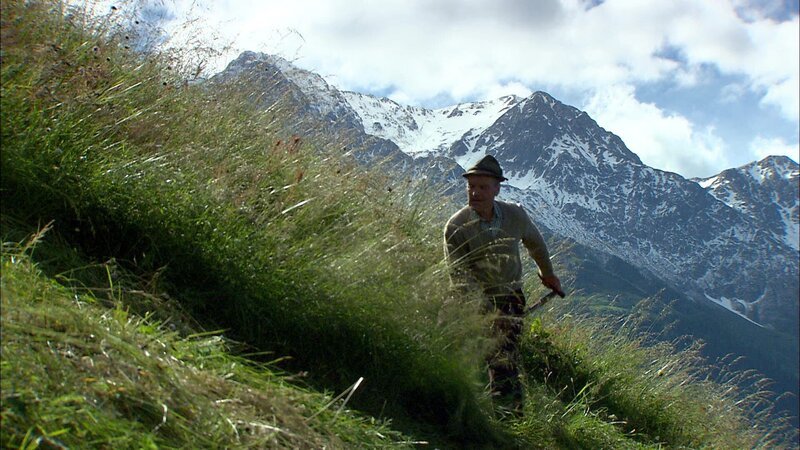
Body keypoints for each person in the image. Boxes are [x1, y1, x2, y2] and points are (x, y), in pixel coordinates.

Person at [443, 154, 564, 411]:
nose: (475, 193)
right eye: (471, 186)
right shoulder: (457, 226)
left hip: (510, 298)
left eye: (482, 187)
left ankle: (508, 419)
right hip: (470, 301)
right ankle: (451, 406)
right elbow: (459, 276)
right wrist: (485, 313)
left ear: (497, 188)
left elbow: (535, 244)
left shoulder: (514, 215)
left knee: (503, 361)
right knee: (454, 353)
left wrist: (548, 274)